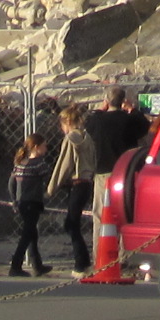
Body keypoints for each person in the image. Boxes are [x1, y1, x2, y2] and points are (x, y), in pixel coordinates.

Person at [79, 87, 151, 257]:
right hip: (125, 173)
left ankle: (100, 255)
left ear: (106, 101)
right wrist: (132, 109)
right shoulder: (129, 120)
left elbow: (88, 121)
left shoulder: (97, 121)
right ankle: (124, 256)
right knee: (125, 213)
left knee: (99, 215)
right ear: (123, 101)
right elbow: (144, 125)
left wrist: (101, 108)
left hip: (103, 172)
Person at [44, 104, 98, 271]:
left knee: (71, 224)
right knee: (73, 222)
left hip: (76, 183)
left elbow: (64, 165)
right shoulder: (87, 137)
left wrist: (51, 189)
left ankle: (81, 262)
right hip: (87, 182)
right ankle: (83, 260)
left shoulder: (70, 139)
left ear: (66, 122)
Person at [5, 125, 55, 276]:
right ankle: (16, 265)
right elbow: (50, 178)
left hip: (21, 203)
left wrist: (14, 200)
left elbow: (11, 183)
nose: (46, 149)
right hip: (33, 203)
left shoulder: (20, 164)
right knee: (28, 234)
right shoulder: (39, 164)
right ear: (36, 147)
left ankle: (37, 265)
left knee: (32, 233)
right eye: (44, 146)